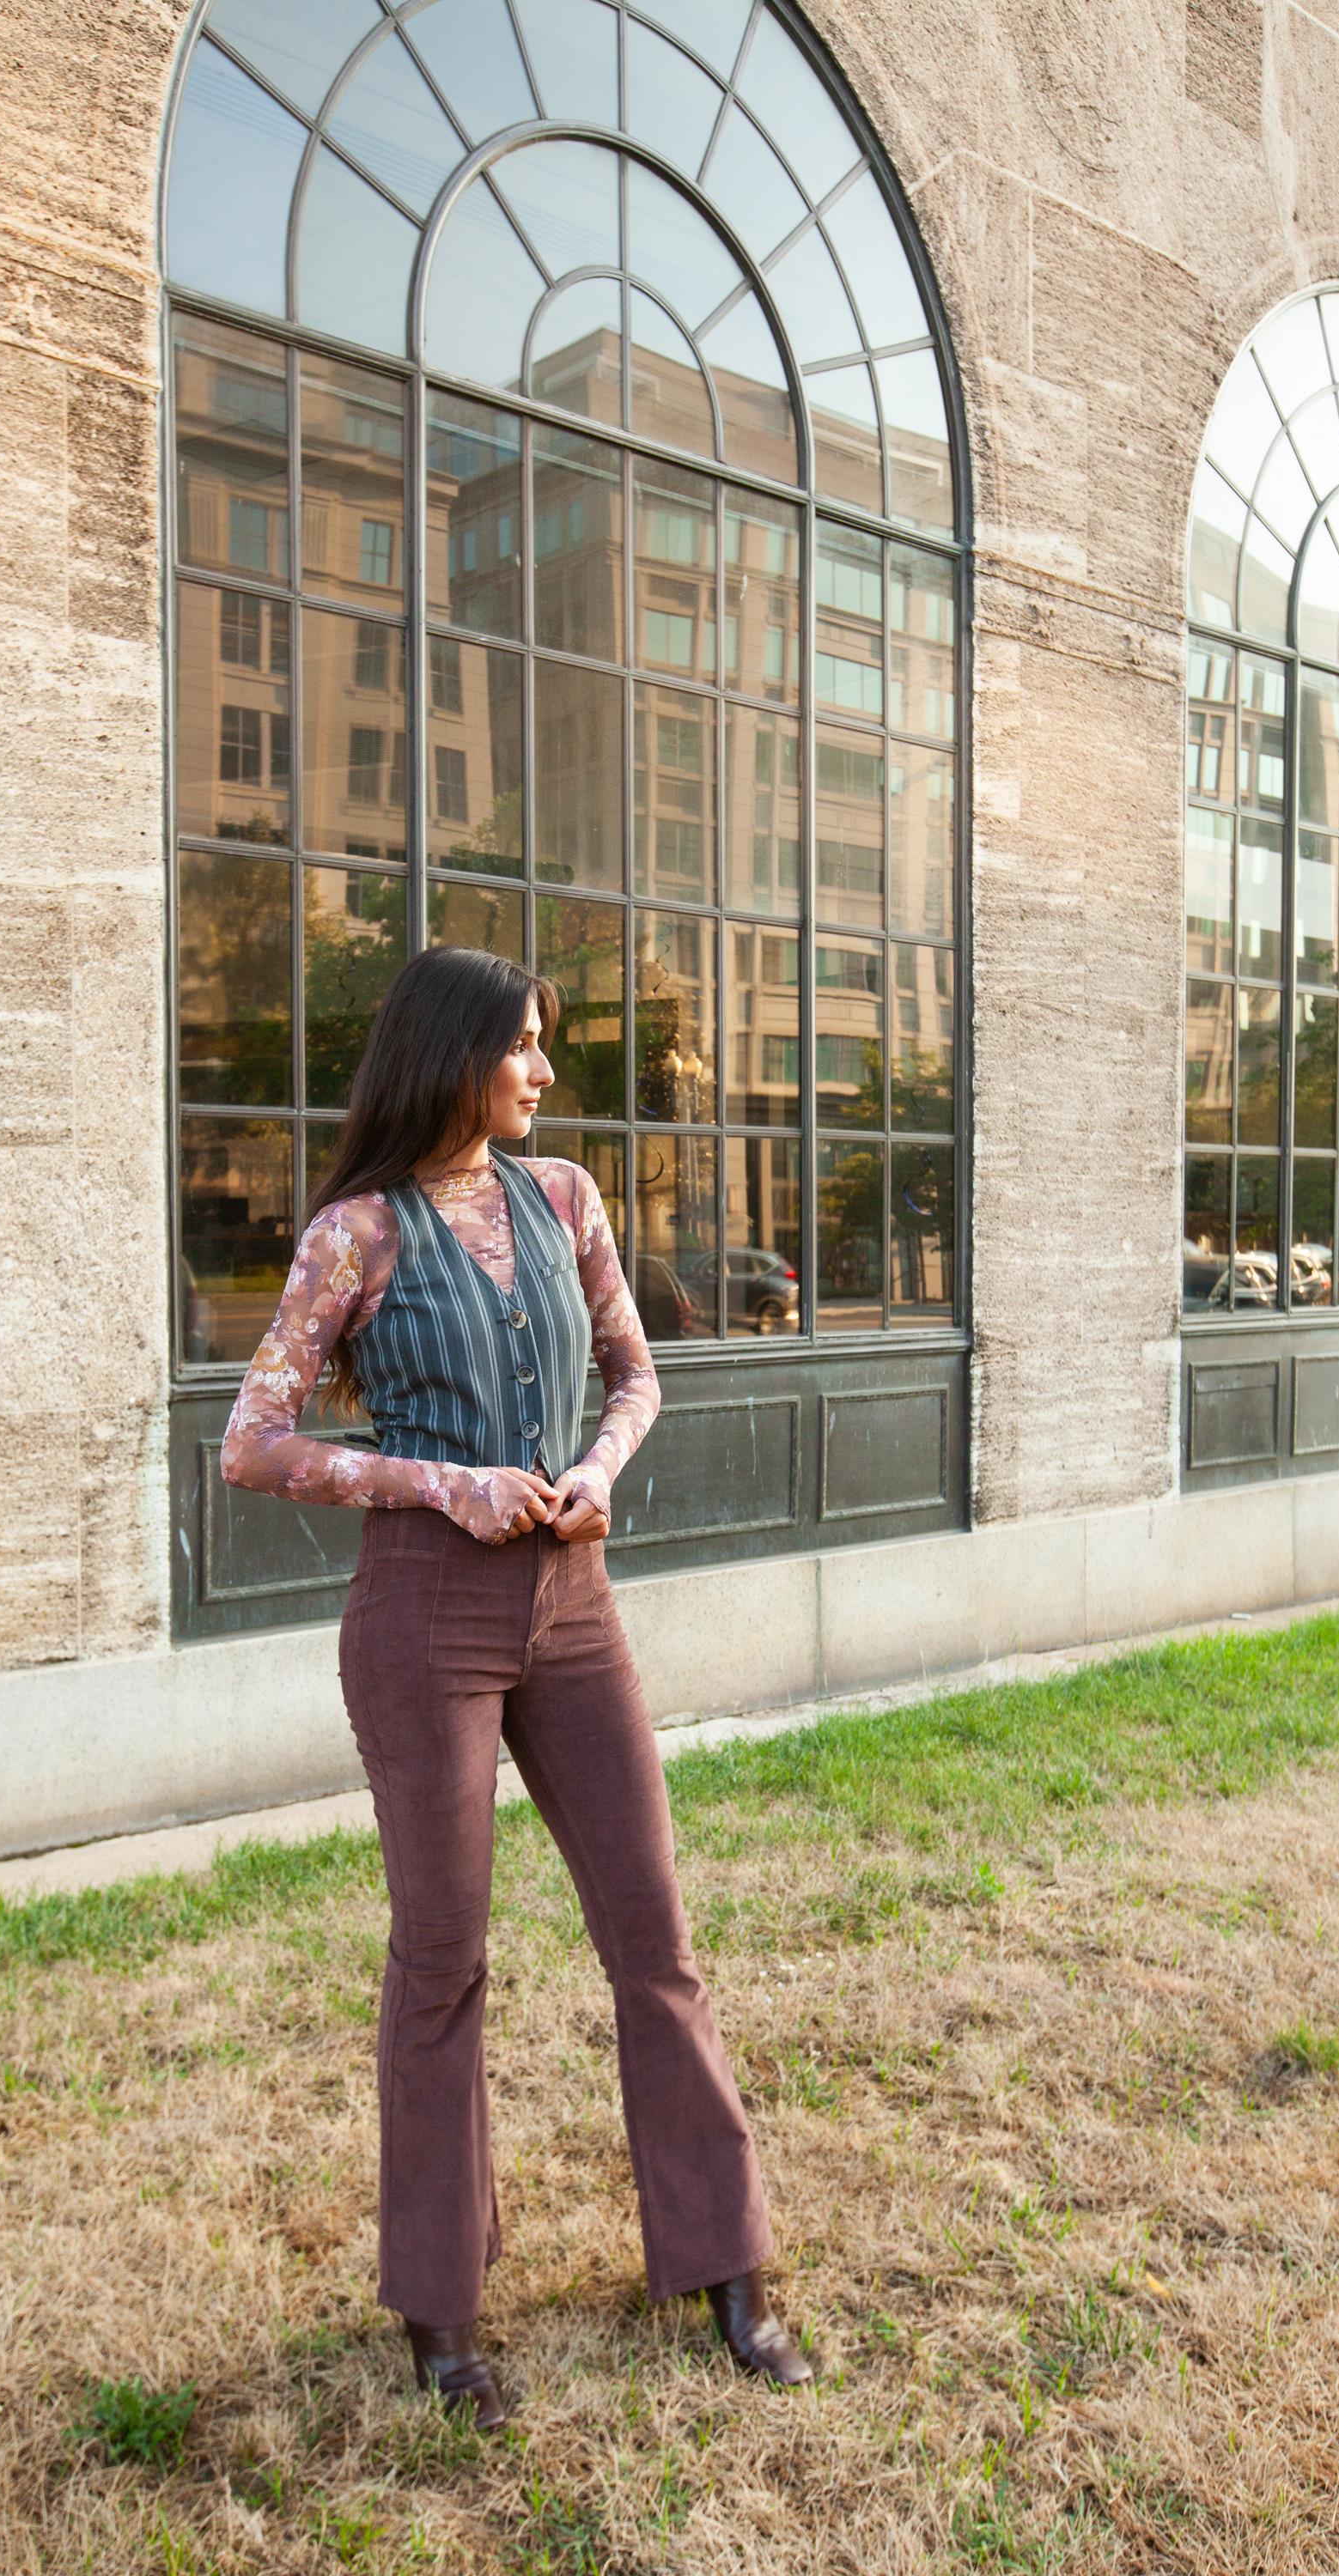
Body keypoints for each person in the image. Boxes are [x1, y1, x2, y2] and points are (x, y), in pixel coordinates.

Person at [220, 945, 817, 2427]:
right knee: (445, 1961)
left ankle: (724, 2262)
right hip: (427, 1616)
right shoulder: (354, 1236)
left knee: (654, 1935)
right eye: (525, 1046)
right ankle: (442, 2309)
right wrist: (439, 1484)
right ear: (455, 1052)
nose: (545, 1071)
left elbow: (637, 1375)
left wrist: (599, 1476)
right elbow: (254, 1438)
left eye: (546, 1047)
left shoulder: (568, 1201)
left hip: (573, 1602)